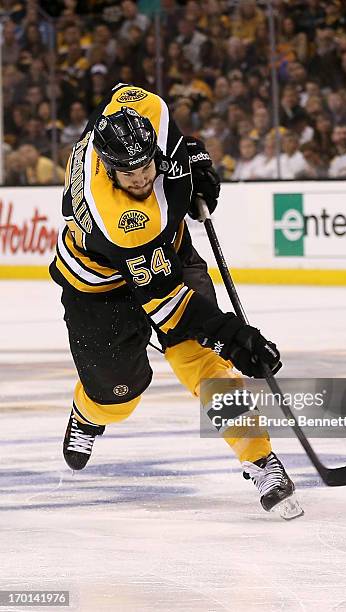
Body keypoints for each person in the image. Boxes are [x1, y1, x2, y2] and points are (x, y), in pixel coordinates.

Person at [49, 84, 302, 518]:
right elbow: (168, 305)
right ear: (108, 170)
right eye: (129, 176)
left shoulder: (141, 111)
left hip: (168, 254)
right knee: (117, 396)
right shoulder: (120, 216)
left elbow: (162, 126)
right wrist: (235, 337)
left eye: (147, 168)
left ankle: (260, 461)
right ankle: (89, 412)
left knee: (203, 362)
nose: (143, 180)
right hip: (101, 286)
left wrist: (197, 159)